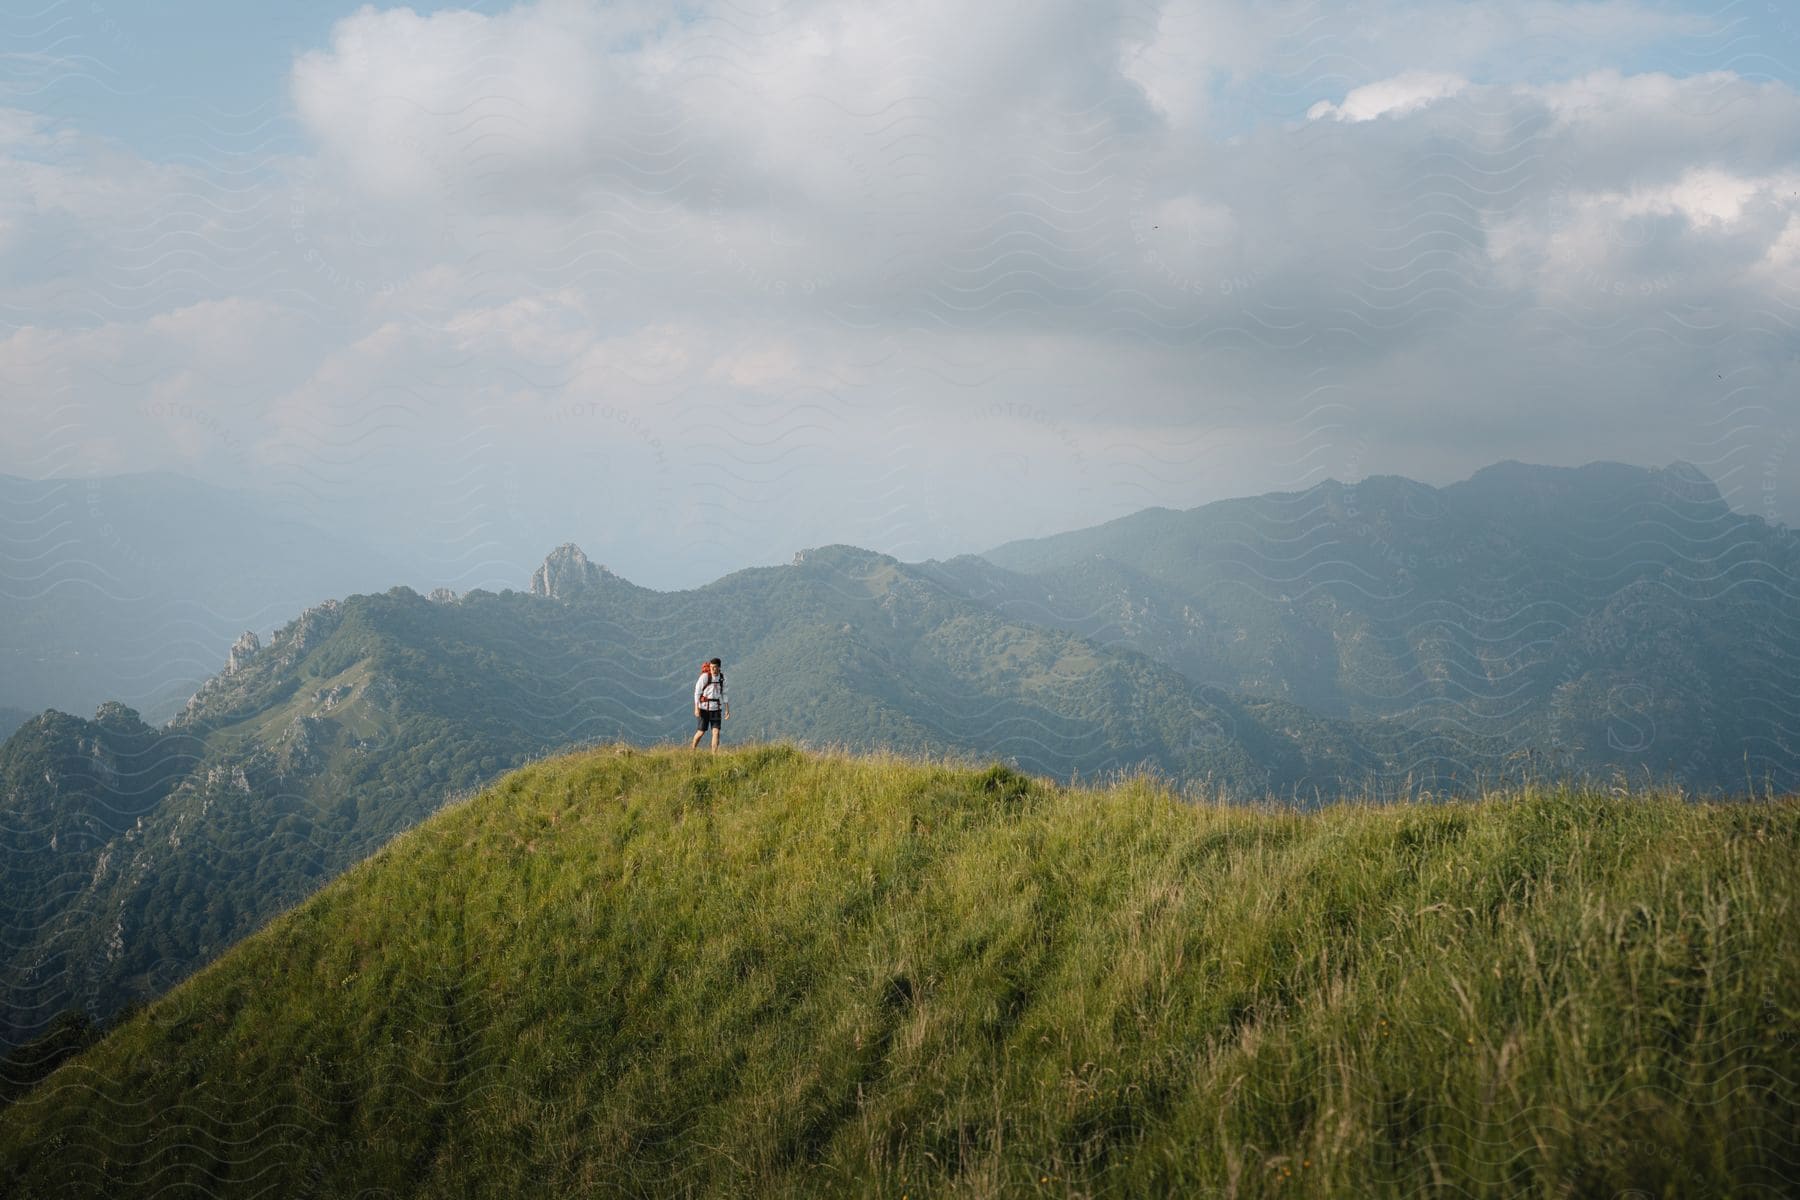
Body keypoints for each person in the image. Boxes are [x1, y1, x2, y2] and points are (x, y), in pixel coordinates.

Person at [691, 656, 729, 751]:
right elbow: (697, 692)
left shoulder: (722, 679)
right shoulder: (705, 677)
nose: (712, 669)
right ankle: (692, 749)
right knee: (701, 732)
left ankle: (714, 755)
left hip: (716, 709)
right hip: (704, 708)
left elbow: (724, 694)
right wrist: (696, 708)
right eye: (711, 666)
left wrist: (727, 709)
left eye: (715, 667)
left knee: (716, 732)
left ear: (719, 667)